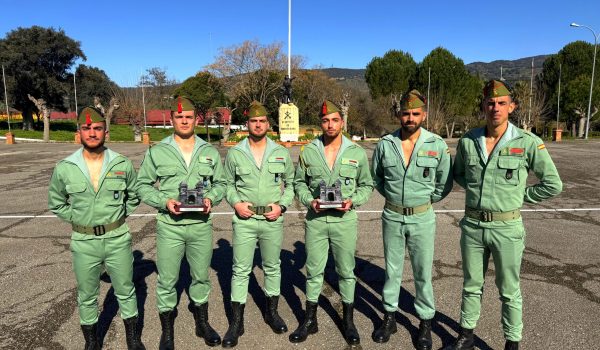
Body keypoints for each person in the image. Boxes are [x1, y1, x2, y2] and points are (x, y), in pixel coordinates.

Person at [447, 80, 562, 350]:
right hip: (473, 226)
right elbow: (461, 174)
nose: (495, 108)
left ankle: (512, 342)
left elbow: (553, 184)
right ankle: (466, 335)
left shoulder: (528, 141)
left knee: (509, 290)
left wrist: (518, 197)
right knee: (471, 284)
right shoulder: (468, 141)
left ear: (512, 106)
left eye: (501, 103)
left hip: (506, 228)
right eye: (490, 103)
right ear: (483, 106)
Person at [48, 106, 145, 350]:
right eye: (86, 128)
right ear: (78, 132)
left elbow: (134, 195)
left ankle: (133, 339)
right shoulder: (65, 167)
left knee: (125, 290)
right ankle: (92, 342)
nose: (92, 133)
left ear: (106, 132)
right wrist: (79, 218)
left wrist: (118, 215)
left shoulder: (121, 163)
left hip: (117, 237)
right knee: (87, 294)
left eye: (97, 128)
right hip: (84, 241)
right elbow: (56, 203)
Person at [136, 96, 226, 349]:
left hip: (200, 224)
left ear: (195, 119)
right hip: (170, 226)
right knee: (167, 279)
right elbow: (142, 185)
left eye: (188, 116)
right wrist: (164, 201)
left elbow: (221, 184)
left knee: (200, 277)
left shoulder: (208, 151)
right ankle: (167, 331)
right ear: (172, 119)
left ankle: (202, 322)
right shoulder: (157, 151)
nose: (184, 121)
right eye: (179, 117)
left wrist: (211, 199)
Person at [371, 90, 453, 348]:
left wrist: (423, 201)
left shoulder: (437, 145)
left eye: (415, 113)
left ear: (423, 115)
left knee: (422, 272)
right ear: (399, 114)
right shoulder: (386, 144)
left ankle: (425, 322)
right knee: (392, 270)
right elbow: (377, 179)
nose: (410, 118)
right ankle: (389, 317)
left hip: (422, 217)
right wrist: (396, 199)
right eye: (405, 113)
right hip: (393, 215)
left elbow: (444, 183)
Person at [290, 100, 374, 345]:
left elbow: (367, 185)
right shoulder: (309, 151)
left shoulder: (356, 152)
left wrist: (352, 201)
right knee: (314, 270)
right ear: (321, 122)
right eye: (325, 120)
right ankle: (310, 319)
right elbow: (299, 183)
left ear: (342, 122)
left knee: (346, 271)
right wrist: (309, 201)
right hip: (317, 219)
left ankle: (348, 320)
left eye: (335, 120)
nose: (330, 124)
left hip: (344, 220)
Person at [221, 101, 295, 347]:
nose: (258, 124)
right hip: (245, 219)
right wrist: (235, 203)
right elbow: (227, 184)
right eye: (254, 121)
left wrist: (282, 206)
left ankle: (271, 312)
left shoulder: (280, 152)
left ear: (268, 124)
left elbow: (291, 184)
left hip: (272, 219)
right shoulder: (236, 153)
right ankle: (236, 321)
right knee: (240, 270)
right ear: (248, 124)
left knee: (272, 266)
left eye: (262, 121)